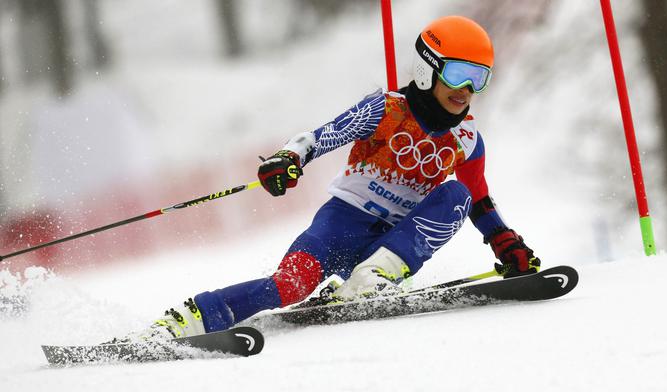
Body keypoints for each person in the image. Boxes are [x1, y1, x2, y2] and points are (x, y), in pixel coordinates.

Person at [143, 15, 540, 340]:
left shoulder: (467, 138)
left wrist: (505, 242)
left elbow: (479, 198)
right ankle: (183, 321)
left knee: (456, 194)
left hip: (395, 242)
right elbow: (319, 137)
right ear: (428, 69)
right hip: (342, 222)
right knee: (288, 286)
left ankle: (372, 277)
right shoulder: (384, 109)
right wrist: (286, 159)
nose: (467, 89)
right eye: (458, 74)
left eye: (480, 78)